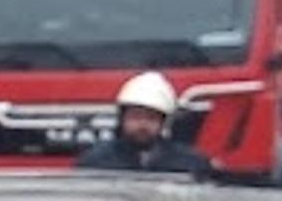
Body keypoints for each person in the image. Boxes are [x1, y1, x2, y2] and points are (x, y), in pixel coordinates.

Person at [75, 71, 214, 178]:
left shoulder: (190, 162)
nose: (142, 125)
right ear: (122, 118)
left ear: (164, 122)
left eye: (151, 118)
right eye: (135, 117)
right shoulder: (96, 161)